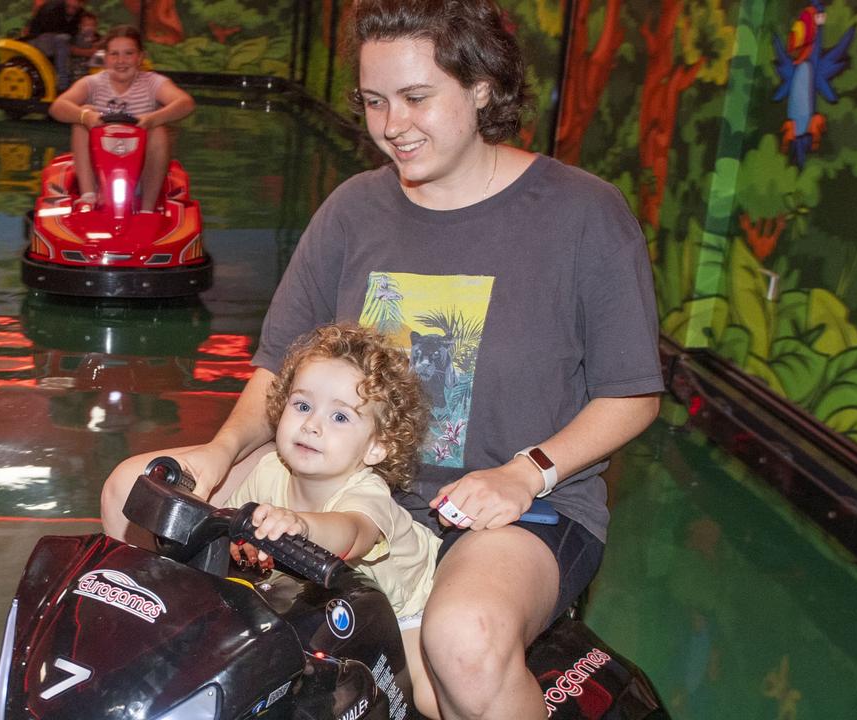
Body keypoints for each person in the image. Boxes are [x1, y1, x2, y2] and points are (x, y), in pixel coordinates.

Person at [99, 0, 663, 717]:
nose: (392, 125)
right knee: (133, 490)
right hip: (346, 478)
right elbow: (277, 367)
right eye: (373, 101)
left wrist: (529, 473)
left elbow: (632, 395)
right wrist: (222, 448)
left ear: (483, 87)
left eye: (417, 98)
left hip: (516, 509)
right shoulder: (353, 210)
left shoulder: (583, 214)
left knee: (465, 637)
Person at [223, 322, 443, 714]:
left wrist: (303, 527)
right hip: (337, 601)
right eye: (302, 405)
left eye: (340, 417)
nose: (312, 424)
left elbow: (352, 533)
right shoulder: (269, 471)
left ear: (376, 447)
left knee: (429, 697)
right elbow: (229, 527)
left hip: (410, 603)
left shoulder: (366, 492)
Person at [48, 25, 195, 213]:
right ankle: (88, 197)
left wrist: (152, 119)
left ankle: (147, 210)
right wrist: (87, 116)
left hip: (140, 174)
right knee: (82, 114)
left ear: (140, 57)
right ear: (105, 58)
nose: (121, 61)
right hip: (99, 174)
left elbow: (186, 103)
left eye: (128, 54)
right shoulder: (93, 83)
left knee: (158, 130)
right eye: (114, 54)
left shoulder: (153, 83)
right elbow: (57, 107)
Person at [22, 0, 86, 92]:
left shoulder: (79, 12)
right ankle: (62, 84)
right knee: (62, 39)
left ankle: (80, 78)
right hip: (38, 40)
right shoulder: (53, 8)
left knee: (78, 39)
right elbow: (51, 30)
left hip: (58, 40)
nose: (74, 4)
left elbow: (74, 32)